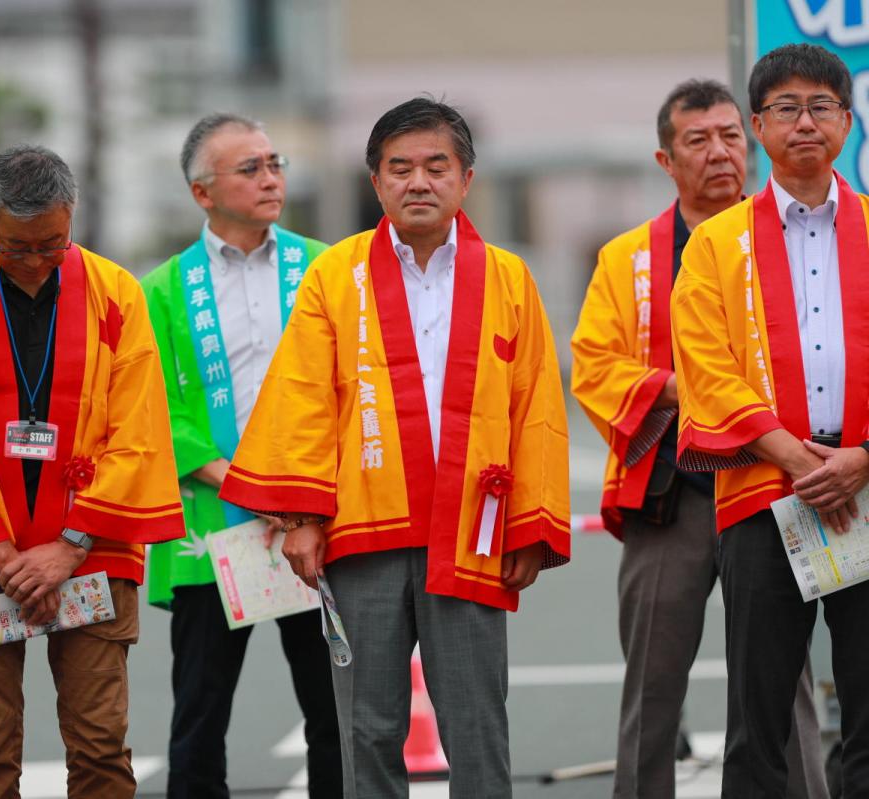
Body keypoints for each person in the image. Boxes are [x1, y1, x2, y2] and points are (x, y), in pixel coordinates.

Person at [219, 97, 570, 798]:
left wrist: (531, 523)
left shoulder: (508, 277)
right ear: (374, 182)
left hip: (473, 533)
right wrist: (302, 516)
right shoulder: (335, 275)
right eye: (399, 168)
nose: (419, 182)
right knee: (368, 728)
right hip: (362, 533)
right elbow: (303, 396)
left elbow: (536, 408)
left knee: (477, 724)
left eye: (437, 166)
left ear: (466, 178)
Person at [0, 144, 185, 799]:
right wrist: (7, 555)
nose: (34, 261)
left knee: (101, 747)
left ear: (72, 214)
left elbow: (138, 430)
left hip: (89, 550)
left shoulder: (116, 294)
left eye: (52, 243)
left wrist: (67, 546)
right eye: (15, 246)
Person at [571, 79, 829, 799]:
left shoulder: (795, 234)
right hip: (672, 494)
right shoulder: (627, 258)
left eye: (728, 136)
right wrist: (705, 390)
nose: (718, 153)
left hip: (771, 484)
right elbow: (594, 366)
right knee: (652, 683)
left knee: (786, 681)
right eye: (697, 140)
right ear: (666, 158)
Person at [672, 43, 869, 795]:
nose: (805, 121)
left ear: (847, 121)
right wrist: (800, 459)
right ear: (759, 125)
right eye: (785, 107)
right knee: (757, 720)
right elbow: (704, 364)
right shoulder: (718, 243)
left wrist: (861, 456)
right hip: (762, 495)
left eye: (821, 105)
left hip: (866, 487)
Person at [142, 113, 341, 798]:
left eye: (274, 162)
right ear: (203, 192)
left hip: (312, 522)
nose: (270, 177)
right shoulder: (163, 290)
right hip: (211, 521)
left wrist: (294, 490)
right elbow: (150, 406)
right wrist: (245, 482)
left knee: (334, 710)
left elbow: (352, 382)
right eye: (250, 168)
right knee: (200, 711)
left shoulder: (325, 266)